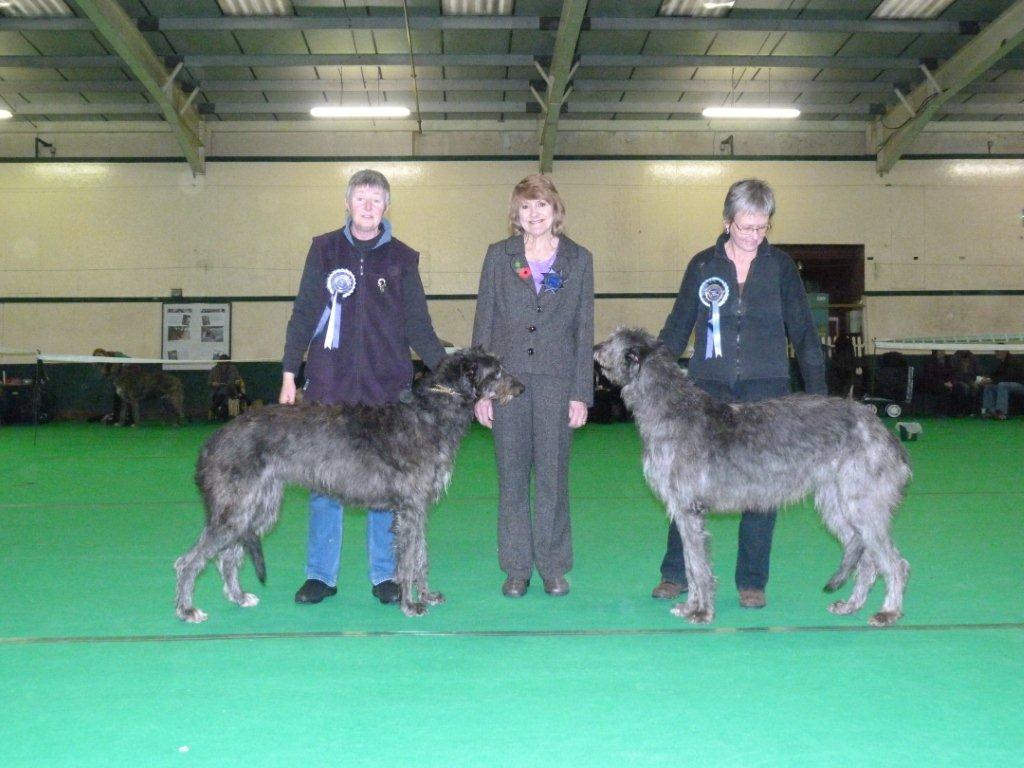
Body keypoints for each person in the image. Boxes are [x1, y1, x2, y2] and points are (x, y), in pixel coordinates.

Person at [651, 178, 826, 609]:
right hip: (706, 391)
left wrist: (821, 398)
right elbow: (677, 326)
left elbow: (803, 333)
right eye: (745, 227)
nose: (753, 237)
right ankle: (675, 574)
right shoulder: (702, 265)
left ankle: (752, 580)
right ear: (728, 221)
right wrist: (651, 373)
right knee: (688, 487)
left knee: (763, 487)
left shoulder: (781, 267)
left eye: (762, 228)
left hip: (767, 392)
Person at [280, 169, 446, 607]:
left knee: (386, 489)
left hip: (386, 391)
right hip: (329, 388)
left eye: (376, 199)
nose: (368, 206)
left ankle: (386, 576)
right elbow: (303, 313)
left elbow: (420, 328)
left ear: (386, 207)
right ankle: (320, 576)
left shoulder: (403, 259)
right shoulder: (323, 249)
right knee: (323, 484)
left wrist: (450, 373)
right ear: (348, 205)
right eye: (361, 199)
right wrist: (287, 373)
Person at [472, 174, 594, 598]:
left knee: (552, 479)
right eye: (526, 206)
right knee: (510, 477)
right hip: (506, 384)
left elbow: (583, 330)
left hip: (557, 383)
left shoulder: (578, 260)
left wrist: (581, 393)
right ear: (516, 213)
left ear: (555, 210)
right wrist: (482, 390)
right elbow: (483, 326)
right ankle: (516, 568)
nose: (534, 213)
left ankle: (554, 567)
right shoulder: (497, 257)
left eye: (541, 205)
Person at [980, 350, 1024, 419]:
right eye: (995, 351)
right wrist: (987, 378)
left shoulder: (1014, 361)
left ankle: (1001, 413)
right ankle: (990, 411)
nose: (996, 353)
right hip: (1009, 384)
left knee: (1002, 385)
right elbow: (996, 374)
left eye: (998, 351)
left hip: (1020, 384)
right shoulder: (1002, 362)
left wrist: (992, 380)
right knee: (989, 386)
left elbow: (1010, 377)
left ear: (1005, 351)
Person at [208, 354, 249, 420]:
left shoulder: (233, 368)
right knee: (222, 394)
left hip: (232, 389)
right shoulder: (214, 369)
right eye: (222, 364)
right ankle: (220, 411)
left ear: (228, 363)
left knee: (224, 392)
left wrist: (236, 382)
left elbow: (237, 380)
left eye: (225, 363)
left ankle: (214, 408)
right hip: (217, 390)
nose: (223, 365)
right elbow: (209, 383)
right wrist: (213, 383)